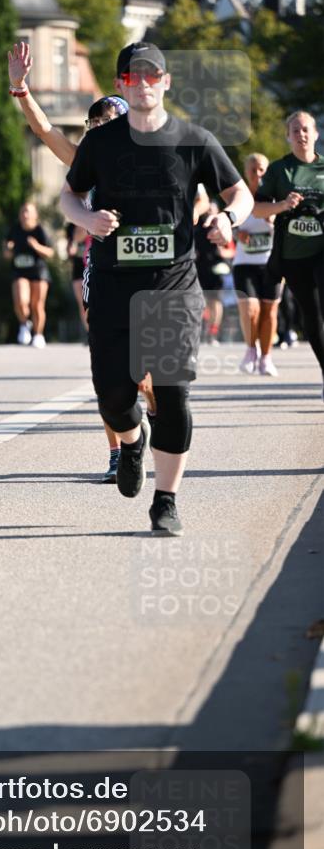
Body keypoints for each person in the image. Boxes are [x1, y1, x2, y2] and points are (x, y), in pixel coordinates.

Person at [60, 42, 254, 535]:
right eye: (133, 76)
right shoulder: (100, 144)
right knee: (113, 396)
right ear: (122, 83)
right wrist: (87, 217)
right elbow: (69, 194)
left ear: (166, 82)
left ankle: (166, 501)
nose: (143, 83)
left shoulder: (193, 139)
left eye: (152, 75)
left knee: (174, 395)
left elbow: (241, 194)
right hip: (111, 285)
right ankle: (129, 443)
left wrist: (228, 219)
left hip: (174, 287)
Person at [8, 41, 153, 483]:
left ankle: (152, 430)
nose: (96, 131)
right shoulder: (84, 161)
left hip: (147, 269)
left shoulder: (147, 156)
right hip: (101, 267)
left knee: (147, 374)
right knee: (107, 364)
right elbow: (47, 131)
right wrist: (20, 89)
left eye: (105, 122)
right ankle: (116, 452)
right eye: (92, 125)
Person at [253, 111, 324, 397]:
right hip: (293, 256)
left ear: (316, 134)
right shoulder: (279, 170)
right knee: (312, 314)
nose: (301, 134)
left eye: (306, 129)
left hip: (322, 250)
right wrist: (283, 204)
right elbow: (257, 208)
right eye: (295, 130)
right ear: (288, 136)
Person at [233, 153, 281, 375]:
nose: (258, 174)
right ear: (246, 172)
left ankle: (266, 358)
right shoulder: (239, 198)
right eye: (253, 169)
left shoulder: (274, 196)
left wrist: (273, 221)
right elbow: (227, 223)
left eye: (261, 169)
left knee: (269, 312)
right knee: (250, 309)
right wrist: (237, 234)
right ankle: (251, 350)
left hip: (271, 262)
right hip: (245, 263)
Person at [3, 201, 53, 349]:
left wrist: (36, 246)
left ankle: (38, 335)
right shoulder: (14, 230)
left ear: (35, 215)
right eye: (23, 211)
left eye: (28, 212)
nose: (25, 215)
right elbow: (6, 253)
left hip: (38, 271)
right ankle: (25, 324)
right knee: (21, 301)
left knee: (37, 305)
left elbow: (50, 253)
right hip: (20, 271)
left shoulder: (40, 230)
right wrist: (8, 249)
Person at [194, 199, 235, 346]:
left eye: (212, 210)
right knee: (203, 302)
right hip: (201, 268)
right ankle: (204, 330)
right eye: (207, 210)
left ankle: (213, 332)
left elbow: (232, 250)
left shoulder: (222, 228)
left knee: (215, 301)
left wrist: (223, 252)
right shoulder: (197, 228)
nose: (209, 212)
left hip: (218, 269)